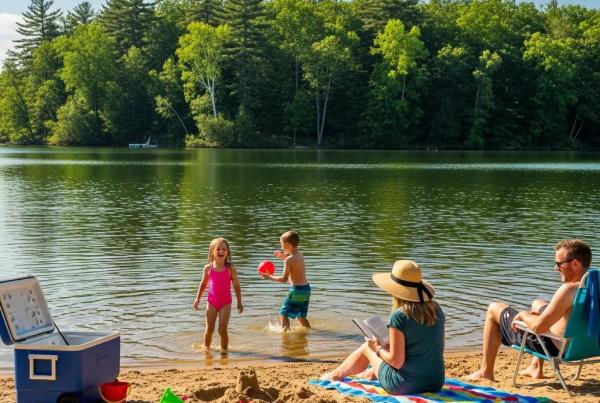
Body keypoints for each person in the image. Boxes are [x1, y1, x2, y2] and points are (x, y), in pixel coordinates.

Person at [467, 239, 592, 381]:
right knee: (538, 304)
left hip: (558, 348)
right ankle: (535, 367)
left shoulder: (569, 290)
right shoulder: (595, 286)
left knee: (494, 309)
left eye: (559, 264)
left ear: (575, 263)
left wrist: (524, 315)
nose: (555, 268)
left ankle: (486, 371)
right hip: (586, 347)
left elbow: (539, 327)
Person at [321, 260, 445, 395]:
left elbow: (396, 362)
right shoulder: (436, 310)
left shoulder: (399, 316)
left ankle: (335, 375)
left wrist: (377, 349)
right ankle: (370, 374)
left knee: (368, 347)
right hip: (436, 382)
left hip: (405, 385)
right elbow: (436, 348)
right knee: (385, 347)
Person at [193, 237, 243, 353]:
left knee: (222, 330)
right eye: (218, 249)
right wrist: (197, 298)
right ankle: (206, 351)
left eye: (224, 249)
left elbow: (236, 285)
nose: (221, 251)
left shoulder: (230, 269)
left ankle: (224, 352)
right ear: (212, 251)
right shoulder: (208, 268)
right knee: (209, 329)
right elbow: (203, 284)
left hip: (226, 302)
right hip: (211, 302)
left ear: (228, 252)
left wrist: (239, 302)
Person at [261, 230, 311, 331]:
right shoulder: (300, 255)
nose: (282, 248)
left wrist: (270, 276)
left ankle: (285, 335)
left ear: (288, 244)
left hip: (296, 290)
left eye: (282, 245)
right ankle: (309, 331)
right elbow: (293, 261)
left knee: (284, 313)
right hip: (306, 289)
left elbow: (284, 279)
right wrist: (283, 256)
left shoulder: (289, 260)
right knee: (301, 315)